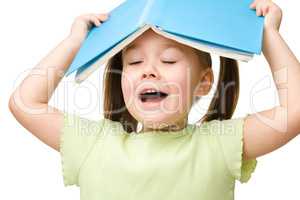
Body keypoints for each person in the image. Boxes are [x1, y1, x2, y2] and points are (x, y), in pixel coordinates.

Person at [8, 0, 300, 199]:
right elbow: (24, 103)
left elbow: (294, 111)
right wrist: (73, 43)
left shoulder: (218, 145)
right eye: (134, 62)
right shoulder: (92, 143)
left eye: (169, 60)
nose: (148, 70)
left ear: (204, 83)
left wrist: (268, 35)